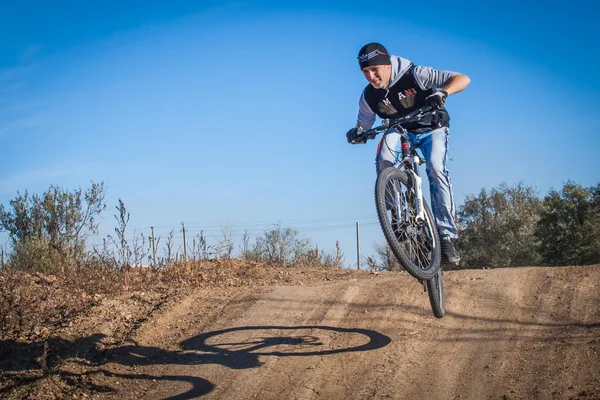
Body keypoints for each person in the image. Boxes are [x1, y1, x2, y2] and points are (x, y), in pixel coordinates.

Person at [346, 42, 470, 266]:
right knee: (384, 160)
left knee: (435, 168)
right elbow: (364, 123)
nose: (372, 76)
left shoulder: (416, 75)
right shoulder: (369, 96)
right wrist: (359, 133)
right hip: (400, 129)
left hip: (432, 128)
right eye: (365, 72)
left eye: (375, 70)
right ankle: (397, 214)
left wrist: (443, 92)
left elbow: (463, 78)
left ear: (387, 64)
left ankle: (447, 236)